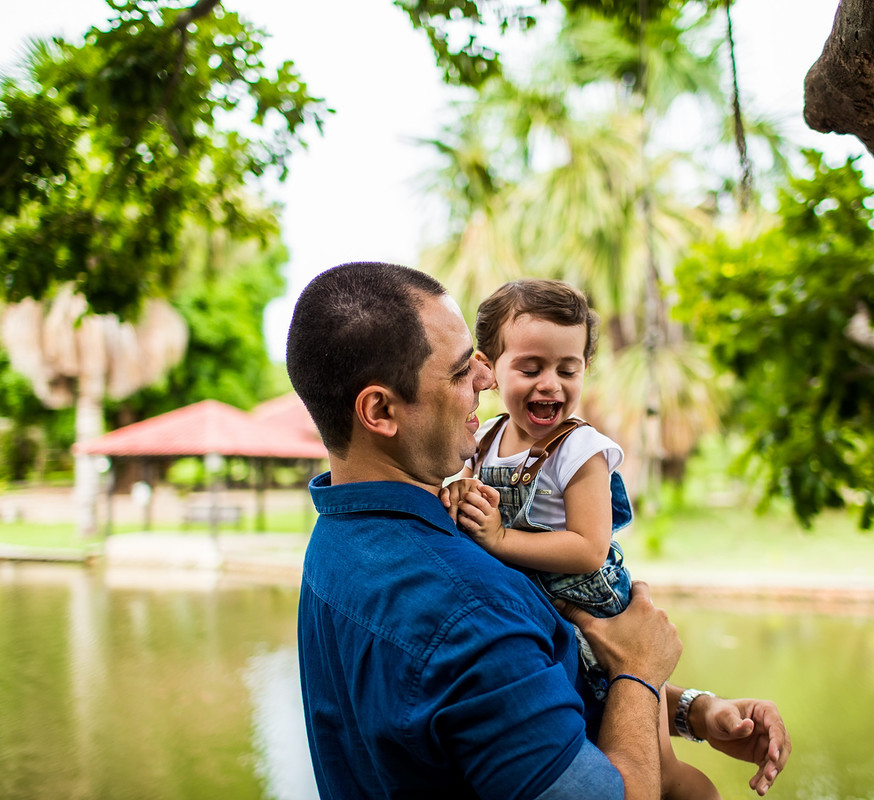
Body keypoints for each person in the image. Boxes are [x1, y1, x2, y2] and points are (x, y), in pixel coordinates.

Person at [286, 261, 790, 799]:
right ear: (380, 409)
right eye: (461, 372)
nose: (485, 379)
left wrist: (693, 711)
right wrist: (641, 671)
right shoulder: (470, 616)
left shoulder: (336, 543)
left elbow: (538, 694)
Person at [440, 278, 718, 799]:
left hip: (596, 602)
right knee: (590, 731)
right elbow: (461, 486)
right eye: (531, 368)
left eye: (568, 370)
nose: (552, 384)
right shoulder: (484, 438)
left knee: (659, 765)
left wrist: (499, 539)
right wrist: (459, 492)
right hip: (543, 603)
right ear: (487, 369)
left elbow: (589, 548)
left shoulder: (580, 449)